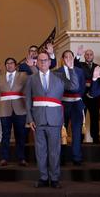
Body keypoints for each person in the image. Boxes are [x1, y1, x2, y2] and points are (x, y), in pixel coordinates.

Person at [26, 52, 78, 189]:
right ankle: (43, 178)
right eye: (40, 60)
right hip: (37, 120)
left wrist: (71, 69)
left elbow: (73, 86)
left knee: (55, 151)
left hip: (55, 119)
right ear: (36, 62)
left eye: (46, 60)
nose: (43, 62)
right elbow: (27, 100)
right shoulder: (31, 79)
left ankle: (54, 178)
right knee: (40, 151)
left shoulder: (59, 76)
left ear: (50, 62)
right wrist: (29, 118)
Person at [0, 56, 33, 167]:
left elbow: (35, 77)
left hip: (20, 109)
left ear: (16, 65)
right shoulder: (0, 78)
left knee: (21, 135)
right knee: (5, 135)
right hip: (4, 110)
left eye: (12, 63)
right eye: (7, 63)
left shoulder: (23, 76)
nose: (9, 65)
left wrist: (31, 66)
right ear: (5, 66)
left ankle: (22, 158)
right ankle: (4, 158)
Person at [56, 50, 86, 165]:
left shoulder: (79, 71)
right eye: (66, 56)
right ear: (63, 59)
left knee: (77, 132)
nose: (68, 58)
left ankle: (77, 157)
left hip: (77, 104)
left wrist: (77, 95)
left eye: (70, 56)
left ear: (73, 58)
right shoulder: (57, 72)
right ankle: (61, 158)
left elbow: (82, 87)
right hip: (63, 104)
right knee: (61, 131)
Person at [74, 45, 100, 144]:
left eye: (91, 54)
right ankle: (80, 138)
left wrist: (94, 87)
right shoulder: (80, 65)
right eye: (87, 54)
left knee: (94, 117)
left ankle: (95, 138)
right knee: (81, 117)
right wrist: (78, 55)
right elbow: (74, 64)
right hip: (82, 95)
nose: (89, 56)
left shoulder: (99, 67)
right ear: (84, 56)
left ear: (93, 56)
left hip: (94, 96)